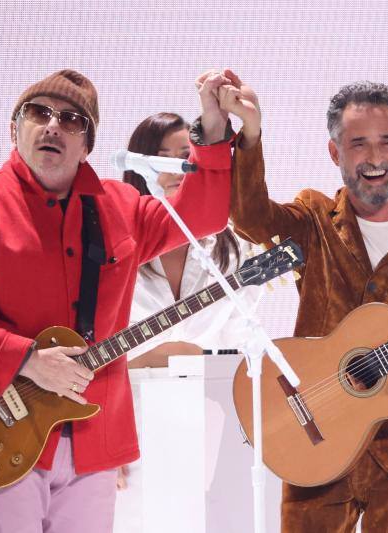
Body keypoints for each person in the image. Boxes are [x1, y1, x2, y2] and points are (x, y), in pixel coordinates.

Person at [0, 69, 234, 533]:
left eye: (71, 119)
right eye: (38, 113)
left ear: (87, 144)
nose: (53, 125)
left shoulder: (121, 208)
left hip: (92, 441)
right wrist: (24, 360)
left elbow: (201, 213)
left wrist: (214, 129)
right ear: (14, 128)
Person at [215, 70, 388, 532]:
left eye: (387, 142)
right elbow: (249, 216)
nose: (375, 158)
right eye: (358, 143)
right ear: (335, 152)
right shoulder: (313, 221)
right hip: (314, 442)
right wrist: (250, 132)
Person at [113, 111, 263, 530]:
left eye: (187, 156)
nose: (178, 169)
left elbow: (239, 355)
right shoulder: (114, 249)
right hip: (129, 425)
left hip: (207, 428)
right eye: (162, 158)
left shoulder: (233, 255)